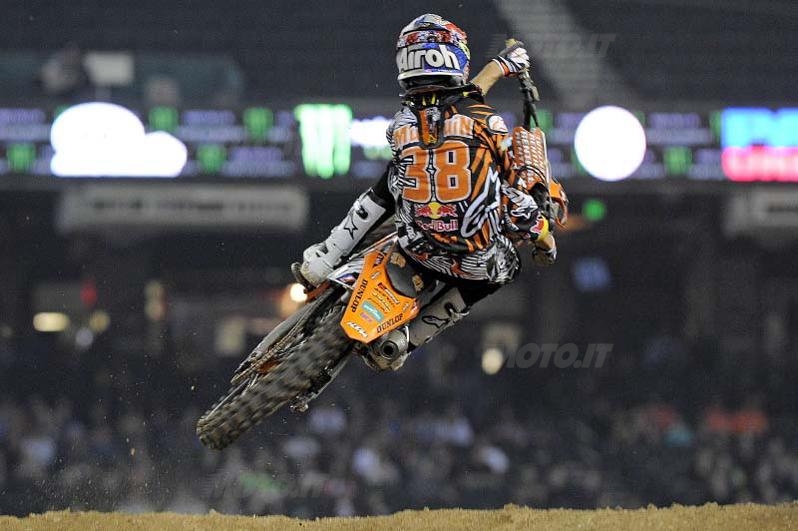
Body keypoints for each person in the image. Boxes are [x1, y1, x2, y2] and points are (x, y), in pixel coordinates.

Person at [299, 14, 558, 370]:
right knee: (505, 267)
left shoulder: (400, 126)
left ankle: (326, 256)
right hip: (471, 261)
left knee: (393, 179)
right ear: (456, 59)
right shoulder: (488, 123)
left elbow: (454, 106)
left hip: (417, 247)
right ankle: (407, 340)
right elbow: (516, 200)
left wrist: (499, 67)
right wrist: (544, 237)